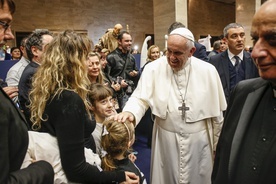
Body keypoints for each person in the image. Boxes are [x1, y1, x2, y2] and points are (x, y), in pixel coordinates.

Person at [114, 27, 227, 184]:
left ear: (191, 51)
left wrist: (217, 147)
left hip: (199, 143)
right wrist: (130, 113)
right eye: (169, 51)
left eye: (178, 53)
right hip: (166, 140)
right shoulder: (153, 68)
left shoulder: (208, 71)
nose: (171, 58)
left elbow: (217, 116)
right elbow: (141, 98)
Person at [28, 30, 139, 184]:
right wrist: (117, 176)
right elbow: (75, 169)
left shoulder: (54, 90)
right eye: (85, 57)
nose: (89, 63)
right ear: (73, 61)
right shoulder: (68, 99)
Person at [212, 1, 276, 183]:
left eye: (273, 39)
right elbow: (224, 157)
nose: (255, 53)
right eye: (256, 40)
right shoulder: (244, 93)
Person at [0, 0, 55, 183]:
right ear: (35, 51)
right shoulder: (32, 73)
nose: (9, 35)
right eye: (3, 24)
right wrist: (42, 169)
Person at [208, 23, 259, 103]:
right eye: (234, 36)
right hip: (225, 110)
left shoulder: (254, 60)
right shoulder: (215, 61)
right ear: (225, 40)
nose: (239, 39)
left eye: (242, 35)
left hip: (248, 108)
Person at [18, 29, 53, 124]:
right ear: (35, 51)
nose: (55, 51)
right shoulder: (33, 73)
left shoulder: (39, 70)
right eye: (50, 47)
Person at [101, 118, 146, 184]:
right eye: (133, 133)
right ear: (128, 143)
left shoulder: (104, 160)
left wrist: (129, 162)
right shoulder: (130, 176)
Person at [106, 30, 139, 112]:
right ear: (119, 41)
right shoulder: (111, 57)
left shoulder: (131, 58)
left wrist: (135, 74)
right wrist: (119, 82)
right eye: (127, 41)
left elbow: (136, 72)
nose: (130, 43)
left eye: (130, 41)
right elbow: (106, 76)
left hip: (130, 94)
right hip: (116, 95)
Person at [89, 83, 116, 154]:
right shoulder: (93, 132)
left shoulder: (111, 117)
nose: (110, 105)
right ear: (91, 106)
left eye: (110, 100)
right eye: (103, 102)